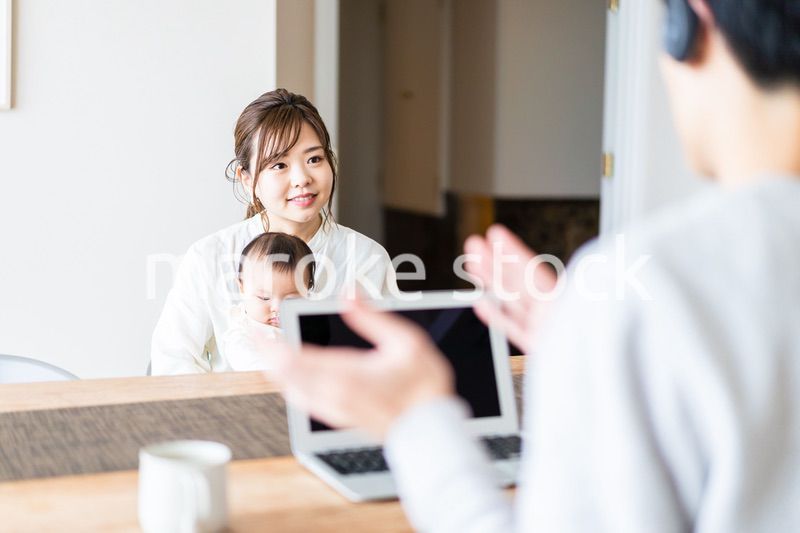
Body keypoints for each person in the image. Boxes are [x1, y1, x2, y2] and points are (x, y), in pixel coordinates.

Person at [272, 0, 800, 531]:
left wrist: (419, 421)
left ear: (691, 25)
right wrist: (586, 350)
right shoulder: (630, 302)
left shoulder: (649, 285)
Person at [151, 89, 397, 375]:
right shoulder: (209, 256)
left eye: (314, 159)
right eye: (279, 165)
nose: (302, 178)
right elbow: (172, 361)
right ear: (247, 179)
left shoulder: (368, 258)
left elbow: (392, 362)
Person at [221, 232, 315, 371]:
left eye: (291, 300)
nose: (277, 308)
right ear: (242, 288)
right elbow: (249, 364)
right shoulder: (241, 333)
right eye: (264, 298)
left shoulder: (309, 324)